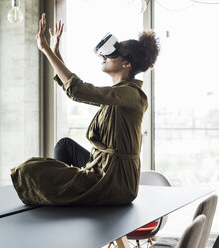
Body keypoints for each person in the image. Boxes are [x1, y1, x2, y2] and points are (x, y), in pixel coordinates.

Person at [11, 13, 160, 206]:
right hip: (102, 164)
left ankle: (66, 195)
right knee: (64, 146)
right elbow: (76, 92)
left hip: (115, 181)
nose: (104, 56)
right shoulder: (117, 95)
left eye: (111, 54)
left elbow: (79, 90)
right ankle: (67, 193)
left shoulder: (131, 95)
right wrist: (56, 54)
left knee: (28, 170)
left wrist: (46, 49)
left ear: (126, 64)